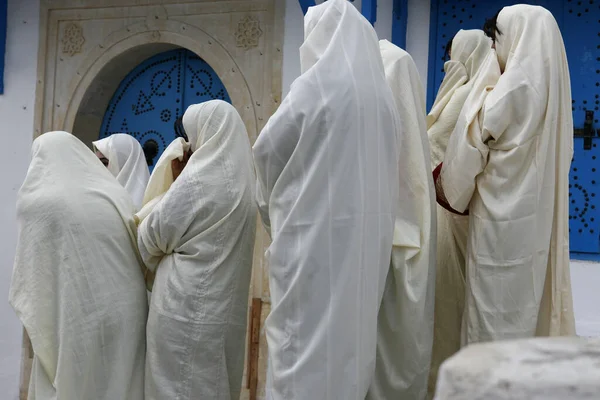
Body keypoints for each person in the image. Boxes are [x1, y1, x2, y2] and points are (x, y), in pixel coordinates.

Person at [253, 1, 400, 398]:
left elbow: (266, 153)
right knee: (350, 346)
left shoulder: (314, 88)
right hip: (366, 247)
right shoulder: (385, 103)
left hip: (312, 245)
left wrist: (271, 212)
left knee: (302, 353)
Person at [438, 4, 576, 346]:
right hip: (537, 222)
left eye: (497, 40)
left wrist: (446, 185)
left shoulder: (506, 91)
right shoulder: (553, 96)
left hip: (499, 229)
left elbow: (465, 161)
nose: (494, 50)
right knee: (532, 302)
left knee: (493, 309)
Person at [9, 131, 147, 400]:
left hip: (77, 312)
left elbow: (37, 270)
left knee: (74, 381)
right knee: (117, 382)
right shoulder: (115, 195)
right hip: (127, 310)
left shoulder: (40, 200)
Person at [139, 100, 257, 400]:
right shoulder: (244, 184)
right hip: (219, 314)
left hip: (184, 310)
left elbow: (151, 236)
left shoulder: (199, 181)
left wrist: (172, 183)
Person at [425, 29, 495, 396]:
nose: (449, 63)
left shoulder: (467, 95)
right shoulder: (466, 89)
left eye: (454, 54)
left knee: (448, 302)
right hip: (446, 211)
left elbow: (437, 146)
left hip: (449, 212)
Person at [367, 40, 436, 400]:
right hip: (371, 267)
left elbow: (409, 219)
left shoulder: (409, 162)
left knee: (395, 356)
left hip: (394, 263)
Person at [93, 133, 150, 209]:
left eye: (104, 163)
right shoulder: (94, 195)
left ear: (125, 165)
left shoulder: (142, 206)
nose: (97, 168)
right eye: (95, 162)